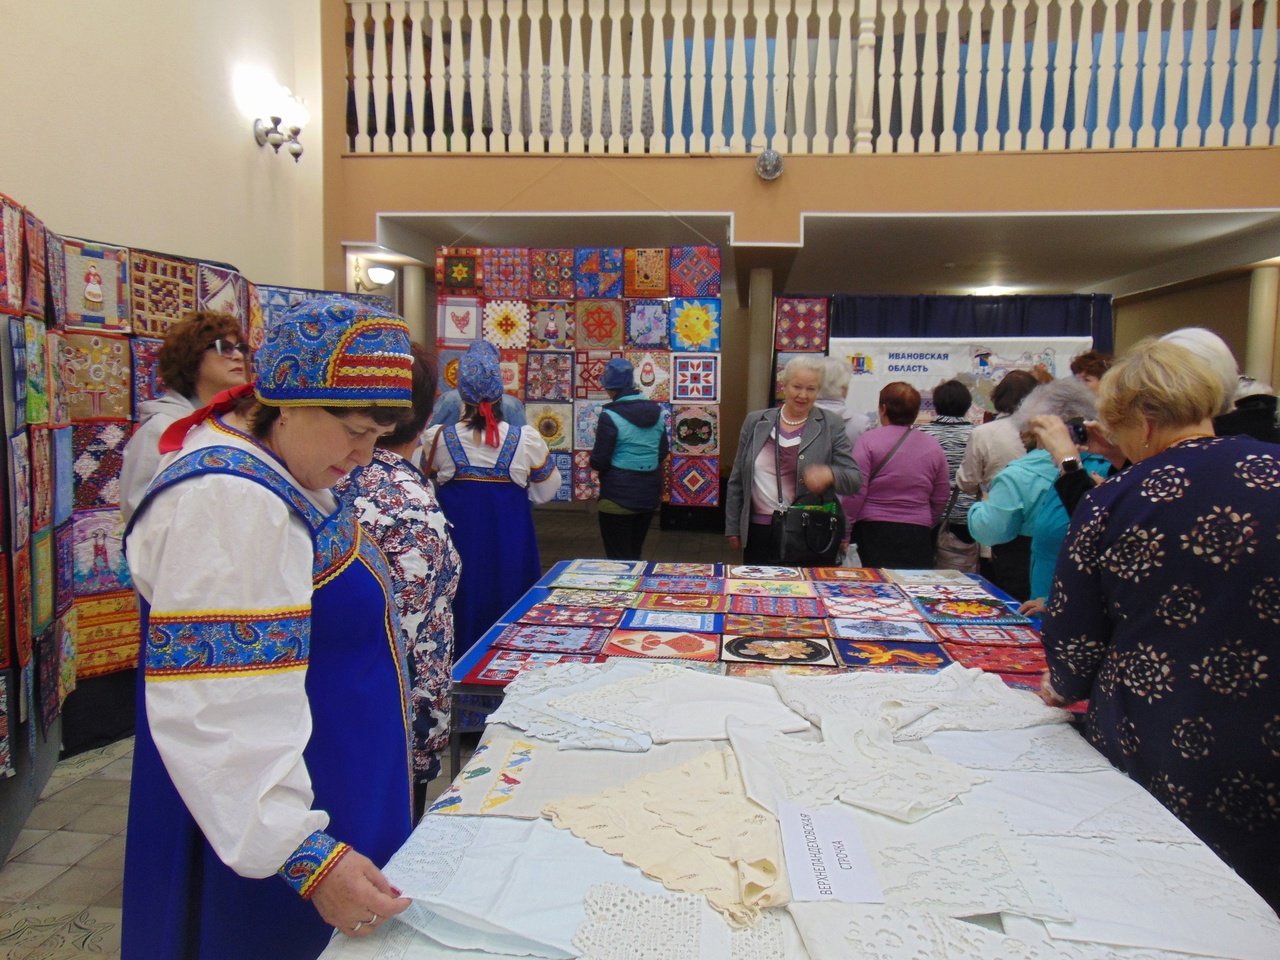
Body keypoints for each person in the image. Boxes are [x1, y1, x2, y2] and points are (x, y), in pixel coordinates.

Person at [122, 296, 417, 959]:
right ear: (289, 403)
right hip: (275, 837)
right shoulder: (227, 501)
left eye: (378, 436)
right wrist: (302, 854)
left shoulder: (279, 468)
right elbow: (216, 709)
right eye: (355, 431)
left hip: (329, 786)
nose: (364, 455)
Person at [1039, 339, 1280, 912]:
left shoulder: (1116, 499)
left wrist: (1063, 687)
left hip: (1160, 726)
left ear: (1144, 424)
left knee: (1170, 896)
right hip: (1267, 724)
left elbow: (1074, 639)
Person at [334, 342, 460, 818]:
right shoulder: (409, 506)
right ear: (424, 418)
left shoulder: (325, 481)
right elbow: (399, 633)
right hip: (390, 723)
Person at [422, 340, 561, 660]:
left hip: (460, 544)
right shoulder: (525, 439)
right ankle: (506, 662)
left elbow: (423, 485)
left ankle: (456, 663)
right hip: (510, 541)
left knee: (461, 599)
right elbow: (548, 489)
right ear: (500, 392)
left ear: (460, 393)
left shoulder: (438, 439)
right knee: (511, 598)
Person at [968, 378, 1111, 610]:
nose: (1040, 446)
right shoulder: (1073, 471)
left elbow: (1093, 538)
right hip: (1055, 601)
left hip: (1073, 607)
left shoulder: (1077, 472)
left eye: (1039, 434)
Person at [725, 355, 861, 562]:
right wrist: (733, 526)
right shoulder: (756, 422)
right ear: (784, 385)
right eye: (797, 387)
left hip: (808, 533)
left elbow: (854, 479)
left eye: (811, 389)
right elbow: (737, 479)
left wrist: (830, 474)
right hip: (759, 531)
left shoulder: (830, 424)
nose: (803, 395)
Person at [119, 311, 250, 521]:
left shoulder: (237, 424)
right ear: (192, 356)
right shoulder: (161, 428)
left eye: (241, 348)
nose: (238, 356)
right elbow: (138, 509)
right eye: (224, 347)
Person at [843, 382, 950, 569]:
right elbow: (941, 495)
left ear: (883, 409)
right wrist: (924, 519)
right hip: (917, 533)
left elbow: (856, 492)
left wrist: (845, 532)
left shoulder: (868, 441)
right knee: (912, 585)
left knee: (875, 584)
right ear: (915, 413)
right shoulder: (933, 446)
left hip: (872, 530)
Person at [956, 368, 1038, 598]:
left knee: (999, 594)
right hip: (1039, 523)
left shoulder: (984, 433)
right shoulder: (1044, 430)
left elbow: (967, 481)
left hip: (998, 523)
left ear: (998, 396)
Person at [589, 357, 669, 559]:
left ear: (610, 388)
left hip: (617, 497)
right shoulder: (657, 412)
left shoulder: (609, 416)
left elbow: (599, 460)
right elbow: (662, 451)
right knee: (635, 554)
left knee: (618, 560)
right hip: (648, 496)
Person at [917, 379, 979, 572]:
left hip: (929, 514)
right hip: (967, 514)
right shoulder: (978, 434)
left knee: (926, 572)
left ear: (935, 405)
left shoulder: (921, 434)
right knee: (962, 572)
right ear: (968, 405)